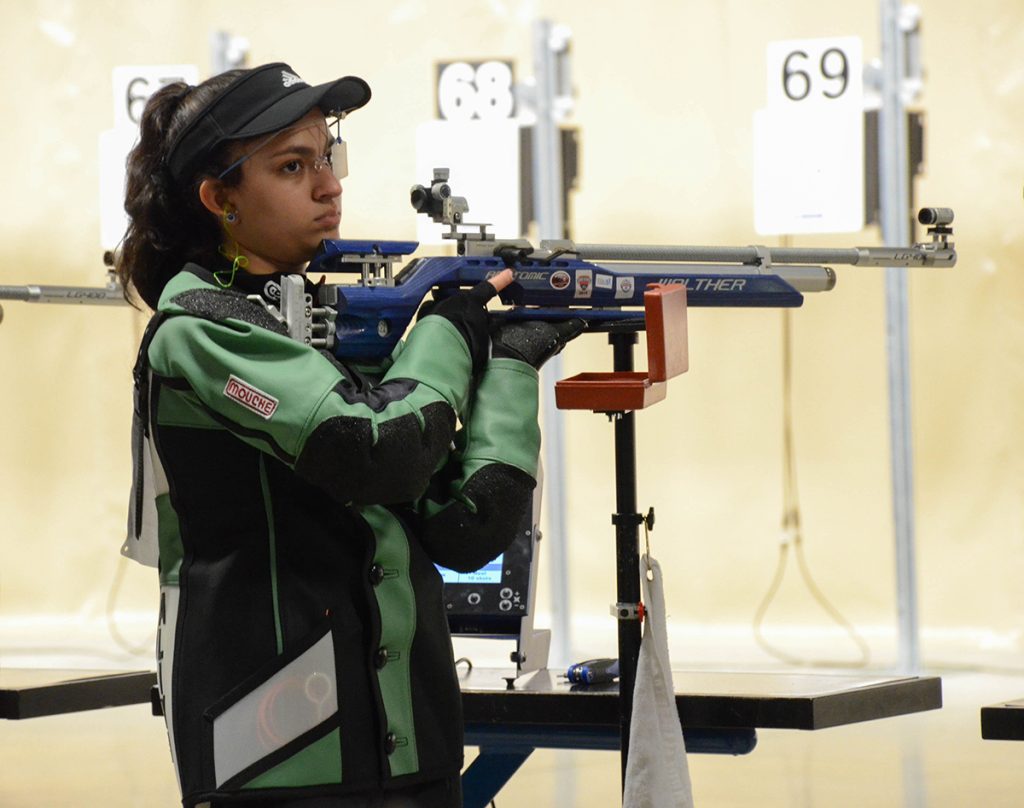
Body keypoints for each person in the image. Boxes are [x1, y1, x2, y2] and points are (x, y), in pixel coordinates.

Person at [117, 62, 580, 808]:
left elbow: (465, 529)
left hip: (408, 748)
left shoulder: (318, 332)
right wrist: (446, 333)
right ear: (220, 199)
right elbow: (376, 453)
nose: (328, 185)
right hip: (277, 757)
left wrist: (512, 368)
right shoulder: (200, 332)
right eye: (293, 166)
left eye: (327, 158)